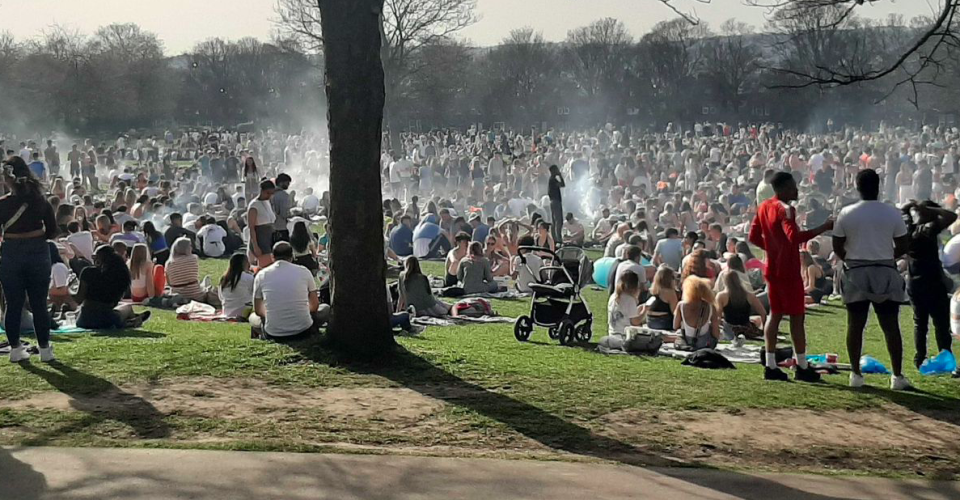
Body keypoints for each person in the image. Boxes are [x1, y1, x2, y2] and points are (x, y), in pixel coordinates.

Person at [748, 171, 833, 382]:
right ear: (785, 188)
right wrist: (823, 227)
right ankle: (802, 365)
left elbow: (752, 236)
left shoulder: (764, 206)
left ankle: (770, 364)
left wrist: (772, 248)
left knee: (775, 315)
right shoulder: (786, 209)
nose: (797, 190)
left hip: (772, 269)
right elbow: (794, 237)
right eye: (794, 186)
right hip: (788, 271)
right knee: (797, 317)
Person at [833, 169, 912, 390]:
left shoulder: (846, 213)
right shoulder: (892, 213)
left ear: (857, 187)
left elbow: (838, 245)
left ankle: (856, 375)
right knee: (891, 326)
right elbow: (904, 245)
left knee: (855, 325)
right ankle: (897, 376)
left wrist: (852, 258)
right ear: (879, 186)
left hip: (856, 271)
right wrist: (887, 256)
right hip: (885, 269)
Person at [0, 157, 57, 362]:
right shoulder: (41, 201)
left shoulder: (3, 205)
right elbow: (52, 231)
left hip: (10, 255)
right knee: (39, 304)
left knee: (13, 304)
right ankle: (45, 350)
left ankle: (15, 349)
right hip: (38, 253)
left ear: (8, 179)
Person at [902, 200, 957, 369]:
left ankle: (920, 358)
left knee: (920, 323)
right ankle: (945, 354)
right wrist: (931, 208)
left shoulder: (908, 229)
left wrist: (909, 207)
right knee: (941, 323)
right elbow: (952, 216)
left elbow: (902, 214)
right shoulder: (928, 229)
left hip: (914, 283)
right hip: (932, 282)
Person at [251, 242, 330, 341]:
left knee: (252, 316)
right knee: (326, 308)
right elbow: (314, 306)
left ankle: (258, 338)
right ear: (292, 256)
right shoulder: (304, 271)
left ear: (272, 257)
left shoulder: (261, 275)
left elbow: (258, 311)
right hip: (304, 330)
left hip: (273, 333)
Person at [76, 245, 151, 330]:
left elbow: (78, 299)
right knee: (127, 308)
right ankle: (132, 320)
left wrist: (70, 289)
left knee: (124, 308)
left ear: (98, 259)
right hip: (108, 320)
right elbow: (113, 303)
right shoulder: (119, 276)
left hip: (84, 320)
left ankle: (131, 321)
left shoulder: (87, 272)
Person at [716, 266, 767, 340]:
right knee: (757, 319)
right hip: (746, 328)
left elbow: (718, 317)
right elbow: (763, 313)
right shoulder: (749, 295)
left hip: (730, 330)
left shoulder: (721, 296)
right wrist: (764, 329)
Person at [166, 237, 219, 306]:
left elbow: (169, 283)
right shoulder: (193, 258)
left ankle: (204, 284)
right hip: (196, 295)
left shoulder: (169, 263)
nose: (191, 248)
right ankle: (205, 284)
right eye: (190, 246)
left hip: (178, 295)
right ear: (186, 248)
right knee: (206, 286)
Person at [673, 276, 721, 351]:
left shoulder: (681, 305)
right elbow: (715, 330)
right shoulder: (711, 306)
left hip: (687, 342)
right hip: (705, 344)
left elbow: (675, 326)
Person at [248, 179, 277, 268]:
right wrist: (255, 246)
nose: (269, 196)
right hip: (260, 237)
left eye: (271, 194)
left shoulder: (267, 202)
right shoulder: (254, 205)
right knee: (265, 266)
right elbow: (251, 227)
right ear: (261, 191)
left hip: (270, 236)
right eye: (268, 193)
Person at [218, 253, 255, 319]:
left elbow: (221, 297)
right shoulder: (248, 277)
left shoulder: (224, 278)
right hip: (243, 312)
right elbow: (255, 293)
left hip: (226, 311)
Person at [642, 265, 678, 331]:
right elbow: (675, 312)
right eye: (673, 277)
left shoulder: (651, 290)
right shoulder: (669, 292)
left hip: (650, 321)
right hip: (663, 322)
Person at [271, 173, 292, 243]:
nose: (288, 185)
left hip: (270, 227)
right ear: (281, 183)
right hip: (281, 227)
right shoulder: (284, 195)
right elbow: (284, 214)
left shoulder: (270, 194)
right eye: (287, 183)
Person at [547, 164, 565, 245]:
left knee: (555, 220)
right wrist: (560, 176)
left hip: (553, 201)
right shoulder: (553, 180)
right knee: (558, 220)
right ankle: (558, 238)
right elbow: (562, 184)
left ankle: (554, 238)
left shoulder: (552, 179)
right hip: (555, 201)